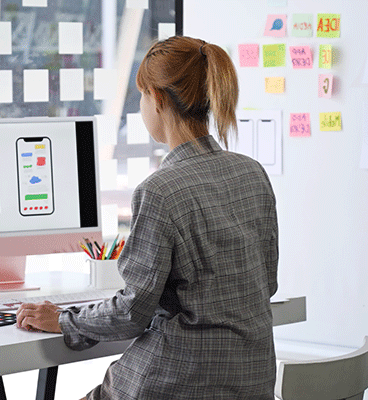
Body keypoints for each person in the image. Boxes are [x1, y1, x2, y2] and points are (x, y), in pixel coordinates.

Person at [16, 36, 278, 400]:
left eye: (141, 95)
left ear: (157, 98)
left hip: (177, 383)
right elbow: (267, 282)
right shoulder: (253, 174)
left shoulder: (160, 190)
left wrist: (62, 320)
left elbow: (132, 312)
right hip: (253, 381)